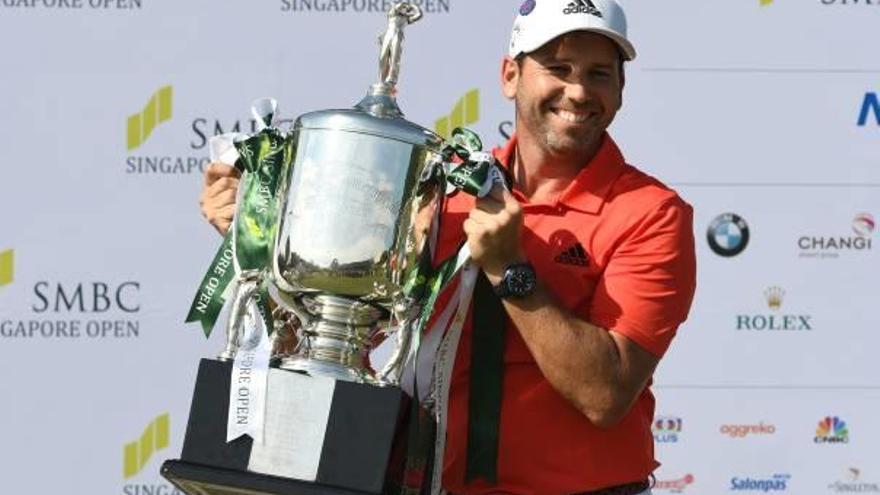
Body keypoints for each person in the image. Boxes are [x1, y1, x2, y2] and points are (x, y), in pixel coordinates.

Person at [199, 1, 696, 494]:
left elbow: (605, 393)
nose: (579, 91)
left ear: (620, 90)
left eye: (599, 74)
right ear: (510, 76)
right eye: (558, 68)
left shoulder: (651, 213)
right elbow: (341, 342)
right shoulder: (443, 194)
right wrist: (262, 245)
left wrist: (510, 270)